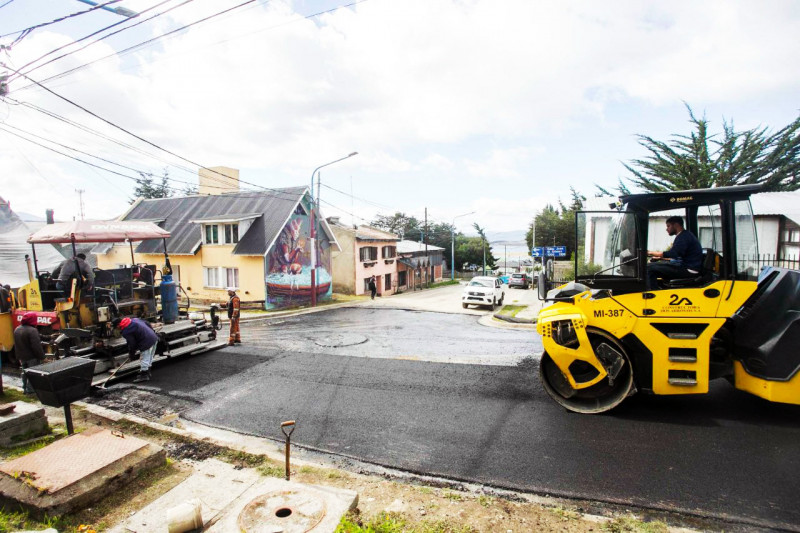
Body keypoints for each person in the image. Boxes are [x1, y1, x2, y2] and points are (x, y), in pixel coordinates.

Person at [647, 216, 703, 290]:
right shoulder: (684, 235)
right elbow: (678, 255)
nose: (666, 229)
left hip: (689, 269)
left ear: (676, 225)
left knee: (648, 269)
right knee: (652, 265)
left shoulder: (684, 237)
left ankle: (652, 294)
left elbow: (674, 253)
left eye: (668, 226)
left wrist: (650, 252)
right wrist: (660, 258)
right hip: (685, 266)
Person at [116, 316, 159, 383]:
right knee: (149, 357)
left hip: (146, 341)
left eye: (116, 327)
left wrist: (131, 353)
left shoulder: (126, 331)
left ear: (118, 325)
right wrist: (152, 332)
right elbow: (147, 323)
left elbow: (132, 343)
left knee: (144, 358)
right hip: (154, 337)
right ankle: (147, 372)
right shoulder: (134, 319)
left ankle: (144, 375)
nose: (117, 329)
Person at [13, 312, 45, 394]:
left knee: (25, 372)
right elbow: (36, 346)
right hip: (32, 357)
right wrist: (42, 357)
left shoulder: (17, 329)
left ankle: (24, 388)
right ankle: (31, 391)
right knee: (33, 374)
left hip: (22, 357)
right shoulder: (32, 330)